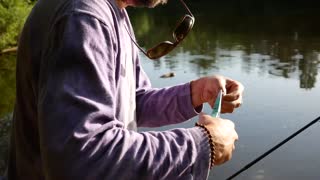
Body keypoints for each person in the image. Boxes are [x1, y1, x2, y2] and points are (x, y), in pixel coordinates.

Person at [6, 0, 244, 179]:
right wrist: (201, 146)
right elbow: (83, 158)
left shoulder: (113, 10)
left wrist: (195, 93)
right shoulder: (83, 16)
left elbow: (133, 101)